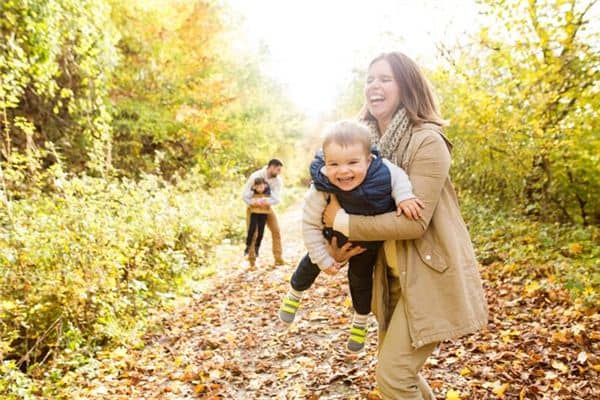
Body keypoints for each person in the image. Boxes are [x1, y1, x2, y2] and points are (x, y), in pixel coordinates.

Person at [322, 52, 488, 399]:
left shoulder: (427, 140)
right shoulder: (364, 147)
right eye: (370, 79)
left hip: (430, 275)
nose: (374, 86)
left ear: (407, 86)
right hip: (390, 274)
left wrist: (345, 222)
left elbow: (413, 223)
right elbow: (339, 198)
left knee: (394, 376)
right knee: (399, 372)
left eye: (386, 79)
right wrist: (335, 241)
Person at [278, 120, 423, 353]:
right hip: (332, 237)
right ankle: (295, 292)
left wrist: (404, 196)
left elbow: (399, 179)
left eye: (353, 162)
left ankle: (360, 322)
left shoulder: (384, 170)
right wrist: (324, 259)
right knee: (310, 263)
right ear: (324, 163)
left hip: (366, 243)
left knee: (361, 281)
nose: (343, 171)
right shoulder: (322, 187)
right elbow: (309, 225)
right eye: (334, 164)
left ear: (369, 159)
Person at [242, 159, 285, 266]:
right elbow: (245, 194)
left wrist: (265, 201)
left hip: (267, 208)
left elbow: (277, 198)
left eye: (280, 170)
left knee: (276, 231)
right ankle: (252, 261)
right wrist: (254, 202)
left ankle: (278, 259)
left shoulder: (278, 181)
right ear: (271, 167)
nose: (279, 172)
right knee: (253, 233)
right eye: (277, 170)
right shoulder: (255, 176)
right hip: (253, 208)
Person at [244, 177, 271, 259]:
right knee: (251, 229)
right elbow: (246, 197)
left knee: (261, 231)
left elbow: (273, 200)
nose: (260, 189)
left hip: (263, 213)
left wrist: (265, 201)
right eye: (258, 187)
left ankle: (257, 247)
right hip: (254, 213)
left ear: (265, 186)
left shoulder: (268, 193)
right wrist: (252, 189)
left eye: (262, 187)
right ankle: (248, 246)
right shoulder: (252, 193)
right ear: (255, 186)